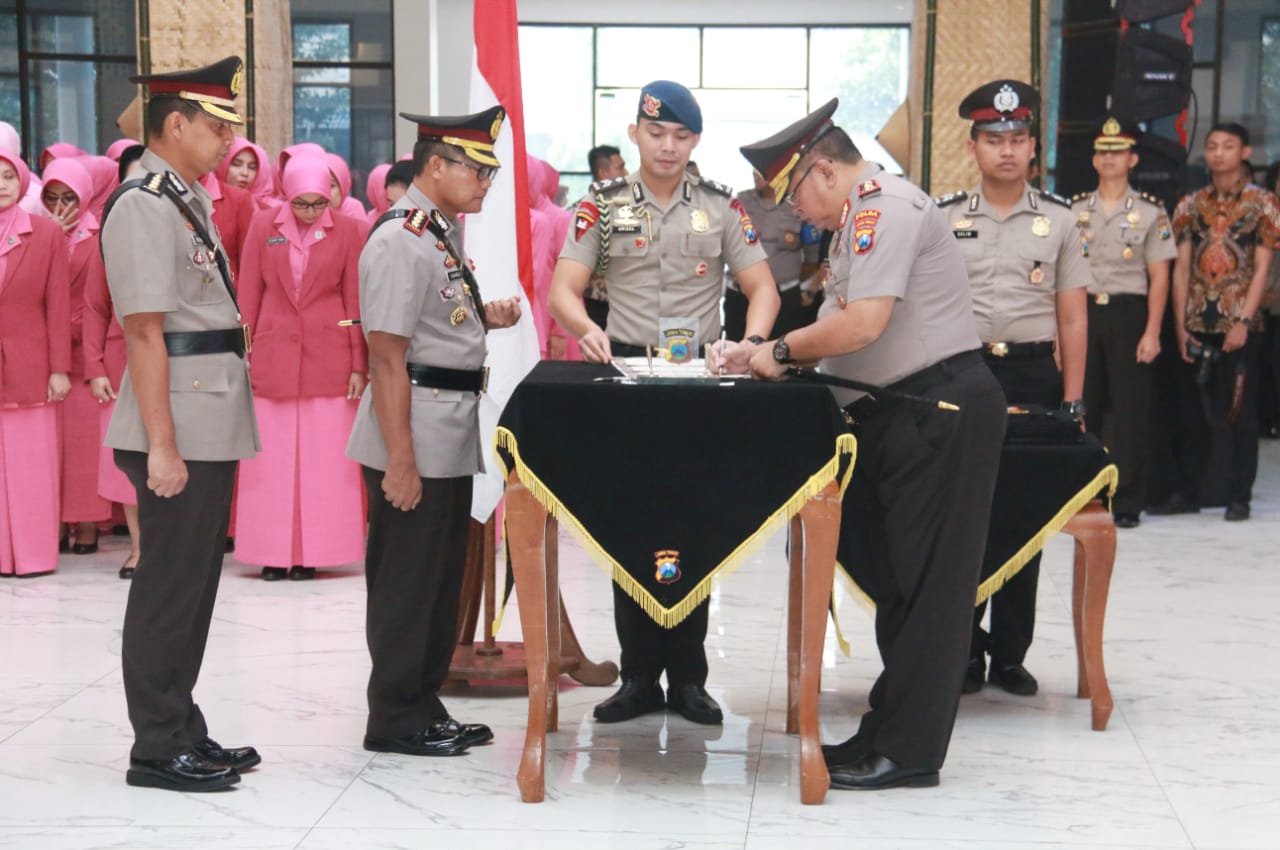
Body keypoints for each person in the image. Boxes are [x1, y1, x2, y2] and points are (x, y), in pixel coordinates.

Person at [729, 98, 1007, 790]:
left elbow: (861, 327)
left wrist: (782, 352)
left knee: (931, 591)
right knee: (902, 586)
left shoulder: (886, 209)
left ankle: (909, 751)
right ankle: (889, 728)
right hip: (902, 415)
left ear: (822, 171)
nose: (797, 214)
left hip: (938, 409)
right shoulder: (860, 219)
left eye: (795, 194)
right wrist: (767, 354)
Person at [548, 81, 781, 726]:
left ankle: (690, 679)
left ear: (696, 141)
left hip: (698, 384)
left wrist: (753, 342)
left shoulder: (722, 206)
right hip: (625, 378)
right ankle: (638, 677)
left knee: (696, 519)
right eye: (657, 134)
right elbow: (562, 289)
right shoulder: (601, 205)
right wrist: (582, 326)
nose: (669, 146)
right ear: (635, 135)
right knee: (630, 518)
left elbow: (763, 287)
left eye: (682, 136)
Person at [101, 56, 261, 792]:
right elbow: (143, 333)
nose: (228, 138)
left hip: (206, 415)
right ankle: (157, 746)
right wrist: (162, 443)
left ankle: (182, 723)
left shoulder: (183, 196)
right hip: (177, 425)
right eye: (218, 124)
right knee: (170, 585)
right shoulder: (142, 202)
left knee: (194, 584)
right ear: (177, 124)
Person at [345, 105, 521, 757]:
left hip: (444, 430)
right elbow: (386, 356)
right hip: (411, 434)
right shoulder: (398, 238)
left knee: (439, 582)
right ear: (437, 165)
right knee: (406, 584)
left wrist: (486, 321)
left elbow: (434, 324)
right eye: (477, 171)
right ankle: (392, 715)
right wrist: (399, 461)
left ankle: (422, 701)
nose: (485, 184)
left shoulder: (438, 232)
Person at [941, 80, 1091, 698]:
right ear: (973, 146)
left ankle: (1009, 654)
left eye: (1018, 139)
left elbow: (1074, 317)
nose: (1007, 150)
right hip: (964, 372)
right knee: (961, 516)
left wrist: (1073, 400)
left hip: (1032, 373)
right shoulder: (945, 216)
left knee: (1025, 511)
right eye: (994, 139)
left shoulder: (1059, 219)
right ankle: (962, 651)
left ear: (1033, 147)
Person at [234, 154, 368, 581]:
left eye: (317, 203)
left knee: (325, 465)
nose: (310, 212)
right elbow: (249, 296)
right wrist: (243, 353)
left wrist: (357, 361)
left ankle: (315, 553)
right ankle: (271, 553)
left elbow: (354, 304)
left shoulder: (350, 230)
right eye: (301, 204)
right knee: (268, 465)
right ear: (286, 197)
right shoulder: (263, 226)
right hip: (272, 358)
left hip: (330, 359)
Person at [1152, 123, 1279, 521]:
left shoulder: (1264, 204)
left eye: (1228, 146)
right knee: (1190, 414)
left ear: (1244, 152)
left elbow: (1263, 269)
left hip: (1241, 324)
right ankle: (1188, 490)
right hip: (1195, 319)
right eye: (1212, 146)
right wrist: (1178, 324)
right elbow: (1181, 267)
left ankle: (1239, 494)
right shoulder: (1190, 204)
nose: (1218, 153)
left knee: (1241, 413)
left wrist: (1244, 319)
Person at [1072, 115, 1177, 528]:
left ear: (1132, 158)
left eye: (1117, 152)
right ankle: (1086, 495)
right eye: (1102, 152)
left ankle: (1128, 500)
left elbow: (1161, 277)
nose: (1109, 158)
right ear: (1094, 159)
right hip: (1085, 311)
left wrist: (1152, 331)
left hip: (1129, 313)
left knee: (1131, 410)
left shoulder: (1151, 212)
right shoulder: (1076, 209)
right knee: (1085, 406)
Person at [0, 149, 71, 578]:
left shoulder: (45, 234)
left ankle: (33, 555)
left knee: (32, 465)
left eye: (9, 176)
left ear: (24, 181)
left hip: (32, 362)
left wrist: (59, 367)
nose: (1, 183)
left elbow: (58, 306)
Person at [41, 158, 112, 554]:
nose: (60, 206)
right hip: (46, 352)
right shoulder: (34, 230)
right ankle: (51, 520)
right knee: (50, 447)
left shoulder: (99, 233)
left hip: (85, 349)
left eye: (69, 197)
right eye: (52, 198)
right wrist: (52, 239)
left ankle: (86, 523)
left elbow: (101, 294)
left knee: (85, 443)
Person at [723, 168, 823, 340]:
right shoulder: (740, 202)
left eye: (760, 170)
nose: (755, 174)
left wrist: (797, 287)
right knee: (735, 357)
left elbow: (811, 258)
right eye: (753, 170)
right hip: (739, 298)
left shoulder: (798, 205)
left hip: (785, 299)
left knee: (780, 357)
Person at [582, 144, 628, 330]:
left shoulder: (631, 212)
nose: (626, 173)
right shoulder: (584, 214)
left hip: (628, 305)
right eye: (620, 168)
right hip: (596, 305)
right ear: (603, 174)